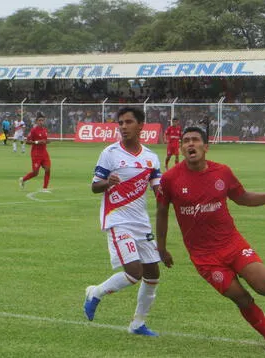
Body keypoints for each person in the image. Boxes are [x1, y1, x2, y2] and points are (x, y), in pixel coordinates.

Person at [156, 127, 265, 352]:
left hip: (232, 244)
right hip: (204, 256)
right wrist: (161, 248)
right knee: (240, 297)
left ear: (206, 146)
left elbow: (242, 198)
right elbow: (161, 212)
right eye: (186, 141)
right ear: (182, 148)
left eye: (195, 140)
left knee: (263, 287)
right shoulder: (169, 179)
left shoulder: (222, 172)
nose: (190, 144)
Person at [83, 107, 162, 337]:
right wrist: (107, 182)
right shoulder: (110, 153)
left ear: (141, 126)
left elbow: (159, 189)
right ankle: (95, 292)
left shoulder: (151, 157)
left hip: (141, 223)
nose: (123, 127)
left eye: (128, 122)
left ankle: (138, 323)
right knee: (134, 272)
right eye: (120, 123)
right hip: (118, 220)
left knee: (153, 274)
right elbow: (94, 186)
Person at [19, 113, 51, 191]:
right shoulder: (33, 130)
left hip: (44, 153)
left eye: (42, 120)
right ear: (36, 121)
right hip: (36, 154)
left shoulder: (44, 130)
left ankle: (45, 188)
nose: (41, 122)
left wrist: (47, 141)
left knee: (48, 169)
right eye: (39, 120)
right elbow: (27, 141)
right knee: (35, 173)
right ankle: (23, 179)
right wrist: (37, 142)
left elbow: (44, 140)